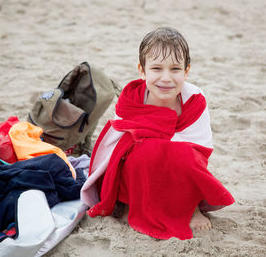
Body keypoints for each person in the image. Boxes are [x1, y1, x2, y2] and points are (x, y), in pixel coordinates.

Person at [80, 27, 234, 240]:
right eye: (156, 68)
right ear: (142, 71)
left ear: (186, 71)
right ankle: (130, 206)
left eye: (175, 69)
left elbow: (201, 147)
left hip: (176, 164)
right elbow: (115, 144)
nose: (166, 78)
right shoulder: (132, 99)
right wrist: (152, 145)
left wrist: (162, 145)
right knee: (133, 155)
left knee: (185, 157)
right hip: (141, 167)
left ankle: (191, 208)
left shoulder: (194, 100)